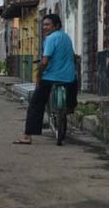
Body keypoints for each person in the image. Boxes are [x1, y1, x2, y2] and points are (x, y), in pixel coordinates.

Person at [14, 13, 77, 145]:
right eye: (44, 24)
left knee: (35, 104)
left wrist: (39, 76)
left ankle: (27, 136)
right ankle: (70, 107)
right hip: (68, 78)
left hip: (50, 77)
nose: (44, 27)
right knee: (74, 82)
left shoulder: (50, 38)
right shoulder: (66, 38)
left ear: (57, 26)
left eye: (48, 24)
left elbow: (44, 61)